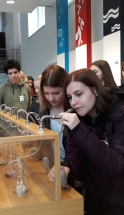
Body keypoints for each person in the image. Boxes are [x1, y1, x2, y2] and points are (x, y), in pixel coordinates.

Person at [48, 68, 124, 215]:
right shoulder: (80, 117)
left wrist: (78, 130)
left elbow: (116, 165)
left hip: (119, 200)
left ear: (95, 90)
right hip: (94, 196)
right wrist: (67, 168)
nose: (74, 102)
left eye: (79, 94)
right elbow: (75, 155)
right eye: (70, 97)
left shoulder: (119, 115)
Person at [38, 64, 69, 163]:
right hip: (53, 164)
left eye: (56, 93)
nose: (51, 98)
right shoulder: (44, 112)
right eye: (46, 93)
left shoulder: (77, 109)